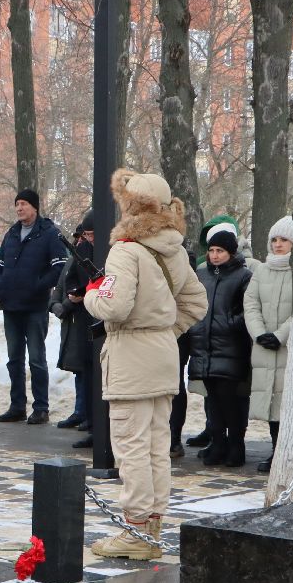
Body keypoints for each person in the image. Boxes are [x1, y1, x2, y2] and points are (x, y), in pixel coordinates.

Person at [80, 170, 206, 558]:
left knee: (131, 446)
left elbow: (114, 306)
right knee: (155, 445)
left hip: (131, 356)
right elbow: (196, 303)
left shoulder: (126, 250)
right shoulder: (176, 250)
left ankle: (135, 532)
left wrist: (91, 296)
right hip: (163, 356)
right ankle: (152, 526)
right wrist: (166, 332)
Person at [0, 188, 68, 425]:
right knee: (14, 358)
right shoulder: (11, 234)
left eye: (24, 204)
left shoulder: (49, 233)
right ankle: (17, 406)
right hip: (11, 306)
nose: (19, 208)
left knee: (36, 358)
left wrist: (37, 286)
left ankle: (41, 408)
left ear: (35, 207)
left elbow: (59, 267)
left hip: (35, 307)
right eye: (17, 204)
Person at [183, 228, 251, 466]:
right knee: (212, 401)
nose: (214, 255)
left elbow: (248, 309)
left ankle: (236, 445)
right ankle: (218, 443)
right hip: (205, 346)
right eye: (211, 250)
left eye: (220, 251)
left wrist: (229, 323)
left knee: (231, 402)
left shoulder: (243, 276)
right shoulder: (203, 276)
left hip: (231, 347)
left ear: (231, 253)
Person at [245, 216, 293, 474]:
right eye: (274, 239)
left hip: (289, 348)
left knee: (287, 402)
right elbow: (251, 303)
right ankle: (275, 450)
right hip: (264, 347)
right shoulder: (262, 270)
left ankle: (287, 452)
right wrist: (259, 333)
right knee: (271, 402)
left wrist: (281, 335)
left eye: (284, 240)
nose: (277, 244)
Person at [55, 211, 98, 435]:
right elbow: (69, 279)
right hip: (82, 316)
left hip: (100, 314)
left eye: (92, 235)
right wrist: (74, 295)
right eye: (86, 235)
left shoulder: (112, 251)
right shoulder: (81, 251)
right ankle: (89, 422)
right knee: (85, 370)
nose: (88, 239)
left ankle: (95, 424)